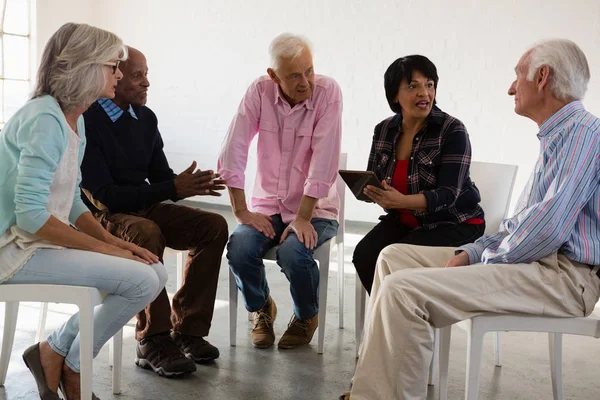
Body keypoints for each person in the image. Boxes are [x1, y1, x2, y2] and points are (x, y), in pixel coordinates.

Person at [342, 39, 600, 399]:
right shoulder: (559, 136)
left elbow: (547, 230)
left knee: (403, 289)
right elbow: (526, 225)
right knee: (391, 257)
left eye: (517, 77)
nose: (512, 87)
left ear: (542, 77)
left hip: (562, 275)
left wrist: (479, 255)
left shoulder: (583, 135)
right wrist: (476, 250)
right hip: (537, 262)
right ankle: (370, 389)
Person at [0, 23, 167, 400]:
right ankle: (74, 367)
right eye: (113, 66)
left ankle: (55, 350)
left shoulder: (74, 117)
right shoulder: (44, 119)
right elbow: (29, 215)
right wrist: (107, 250)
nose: (120, 75)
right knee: (141, 280)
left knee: (153, 269)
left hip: (38, 241)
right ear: (86, 68)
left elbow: (72, 200)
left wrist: (112, 241)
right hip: (13, 247)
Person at [80, 46, 228, 377]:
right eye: (138, 75)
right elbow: (105, 197)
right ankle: (153, 338)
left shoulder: (145, 118)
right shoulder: (87, 119)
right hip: (102, 217)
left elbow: (161, 179)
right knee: (146, 232)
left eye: (147, 74)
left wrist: (187, 184)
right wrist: (171, 189)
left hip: (142, 207)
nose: (146, 83)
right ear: (112, 77)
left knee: (213, 225)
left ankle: (187, 329)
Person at [218, 33, 342, 350]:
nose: (306, 82)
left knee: (293, 253)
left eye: (309, 71)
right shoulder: (259, 91)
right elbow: (235, 148)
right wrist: (241, 211)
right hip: (265, 207)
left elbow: (324, 157)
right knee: (241, 249)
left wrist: (302, 217)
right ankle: (262, 308)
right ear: (274, 76)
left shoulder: (328, 93)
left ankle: (305, 316)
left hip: (314, 210)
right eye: (294, 76)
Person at [352, 55, 485, 293]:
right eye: (413, 86)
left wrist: (401, 201)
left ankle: (397, 320)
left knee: (395, 258)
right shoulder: (383, 130)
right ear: (395, 95)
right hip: (405, 221)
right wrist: (372, 191)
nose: (424, 93)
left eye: (429, 84)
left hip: (454, 222)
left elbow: (448, 194)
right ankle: (388, 316)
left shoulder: (452, 130)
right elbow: (375, 175)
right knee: (364, 254)